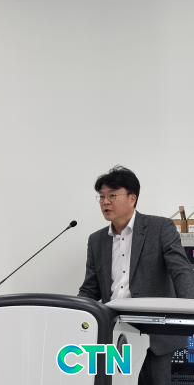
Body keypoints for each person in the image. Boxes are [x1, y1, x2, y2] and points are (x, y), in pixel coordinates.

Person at [78, 165, 194, 385]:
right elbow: (90, 289)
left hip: (155, 333)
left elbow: (181, 269)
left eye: (112, 195)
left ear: (132, 198)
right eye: (101, 196)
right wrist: (73, 314)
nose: (105, 202)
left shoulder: (160, 227)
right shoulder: (96, 240)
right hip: (114, 332)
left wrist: (190, 309)